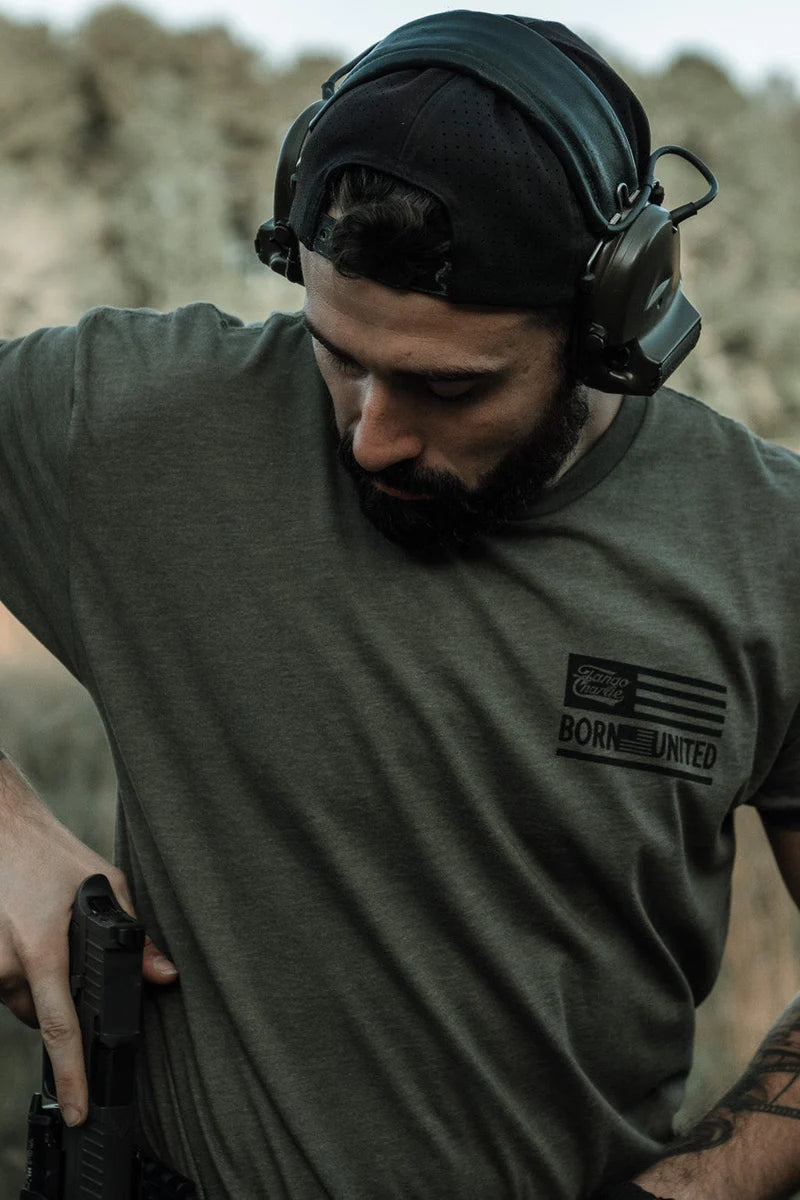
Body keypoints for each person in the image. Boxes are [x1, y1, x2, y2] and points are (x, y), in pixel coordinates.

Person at [1, 10, 799, 1200]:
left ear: (608, 327)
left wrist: (692, 1193)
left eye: (445, 386)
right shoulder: (133, 422)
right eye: (337, 355)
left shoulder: (764, 546)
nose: (372, 435)